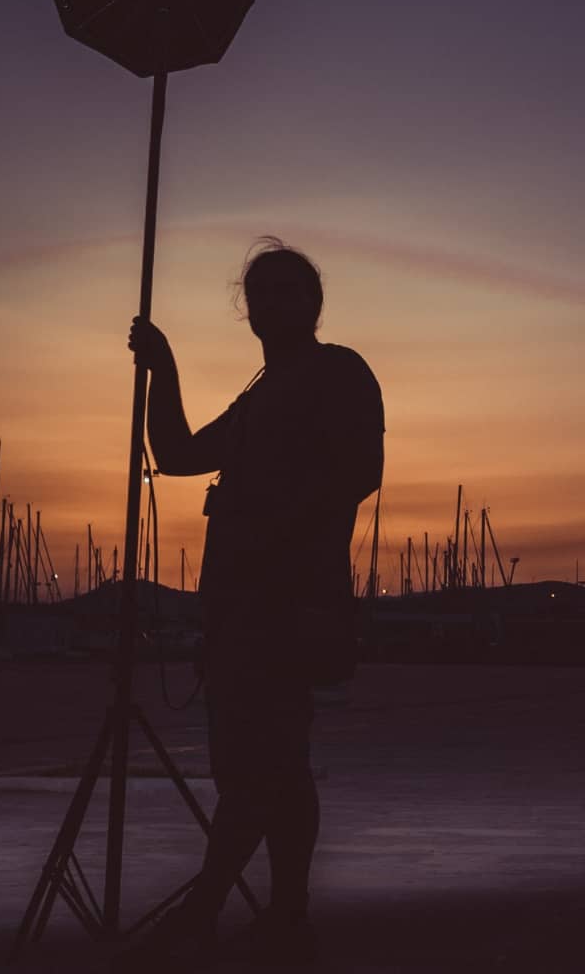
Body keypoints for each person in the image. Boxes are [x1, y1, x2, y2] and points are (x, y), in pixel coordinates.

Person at [116, 239, 384, 971]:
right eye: (261, 293)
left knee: (261, 766)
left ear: (313, 303)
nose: (273, 304)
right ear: (248, 309)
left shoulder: (339, 371)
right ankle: (286, 918)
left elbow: (362, 470)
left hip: (290, 604)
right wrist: (160, 366)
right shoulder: (257, 394)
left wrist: (275, 534)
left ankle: (205, 909)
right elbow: (173, 453)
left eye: (288, 292)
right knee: (267, 768)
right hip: (235, 610)